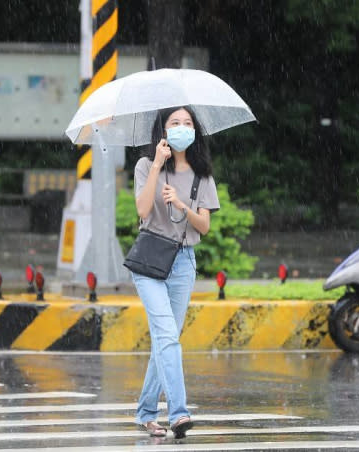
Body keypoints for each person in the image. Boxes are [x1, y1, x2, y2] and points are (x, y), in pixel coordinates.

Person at [131, 106, 220, 438]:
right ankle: (179, 414)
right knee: (167, 336)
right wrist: (157, 163)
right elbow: (141, 211)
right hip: (150, 261)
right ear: (163, 130)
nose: (182, 128)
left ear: (195, 131)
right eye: (175, 123)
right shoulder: (145, 165)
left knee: (165, 340)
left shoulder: (202, 173)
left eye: (187, 123)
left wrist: (182, 204)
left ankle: (146, 412)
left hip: (184, 263)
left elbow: (205, 226)